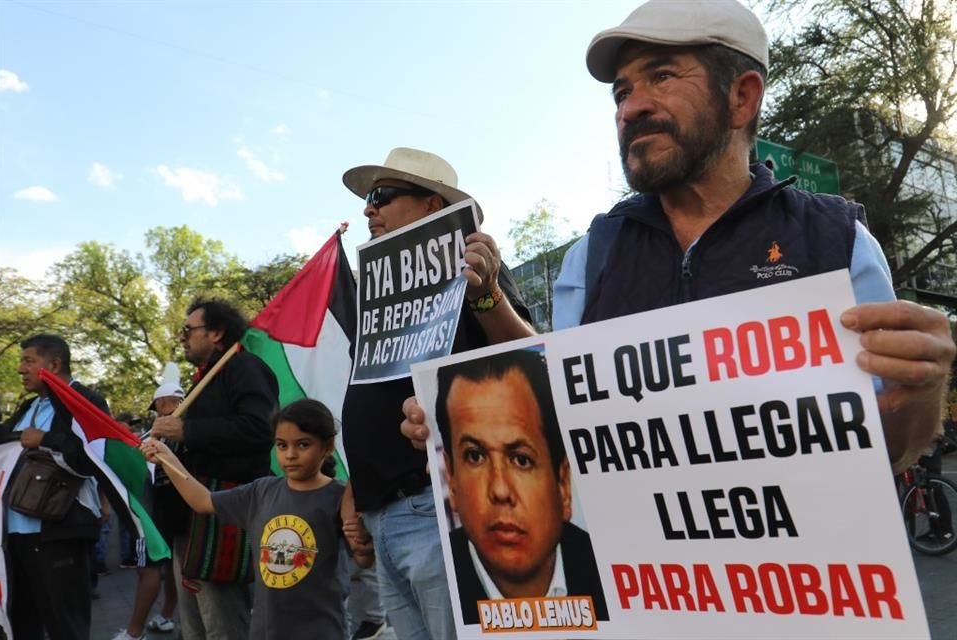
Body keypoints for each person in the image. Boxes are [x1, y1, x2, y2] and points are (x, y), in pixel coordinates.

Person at [403, 0, 955, 479]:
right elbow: (569, 431)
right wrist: (470, 419)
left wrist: (920, 392)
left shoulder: (836, 241)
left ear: (741, 97)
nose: (630, 107)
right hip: (645, 595)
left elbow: (892, 451)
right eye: (622, 91)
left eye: (662, 76)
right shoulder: (591, 257)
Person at [339, 147, 534, 640]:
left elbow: (534, 360)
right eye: (368, 199)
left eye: (382, 196)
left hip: (439, 506)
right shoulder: (378, 293)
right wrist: (356, 496)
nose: (369, 209)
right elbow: (372, 399)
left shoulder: (471, 268)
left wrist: (485, 294)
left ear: (431, 207)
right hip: (382, 515)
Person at [141, 398, 375, 640]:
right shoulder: (261, 491)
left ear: (326, 447)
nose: (291, 455)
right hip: (266, 631)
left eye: (303, 445)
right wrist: (167, 458)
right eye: (282, 446)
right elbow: (203, 501)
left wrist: (363, 544)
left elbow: (364, 560)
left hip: (322, 631)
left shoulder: (340, 497)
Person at [434, 348, 608, 625]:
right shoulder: (437, 585)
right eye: (475, 456)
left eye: (521, 460)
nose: (500, 490)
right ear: (452, 478)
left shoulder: (611, 573)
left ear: (563, 482)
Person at [149, 298, 279, 640]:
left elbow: (259, 429)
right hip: (190, 519)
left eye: (189, 330)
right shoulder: (207, 377)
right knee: (195, 626)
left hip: (222, 517)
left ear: (217, 333)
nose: (183, 338)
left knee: (223, 623)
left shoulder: (244, 369)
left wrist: (186, 431)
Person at [0, 334, 108, 640]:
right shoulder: (29, 407)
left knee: (66, 627)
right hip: (17, 538)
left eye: (28, 361)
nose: (21, 369)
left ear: (54, 364)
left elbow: (93, 458)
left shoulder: (86, 401)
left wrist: (44, 440)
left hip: (60, 535)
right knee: (22, 626)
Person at [112, 375, 184, 640]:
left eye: (158, 406)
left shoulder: (172, 433)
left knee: (150, 569)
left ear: (166, 402)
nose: (157, 413)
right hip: (176, 513)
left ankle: (134, 632)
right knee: (175, 567)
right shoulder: (178, 432)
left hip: (154, 514)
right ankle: (167, 616)